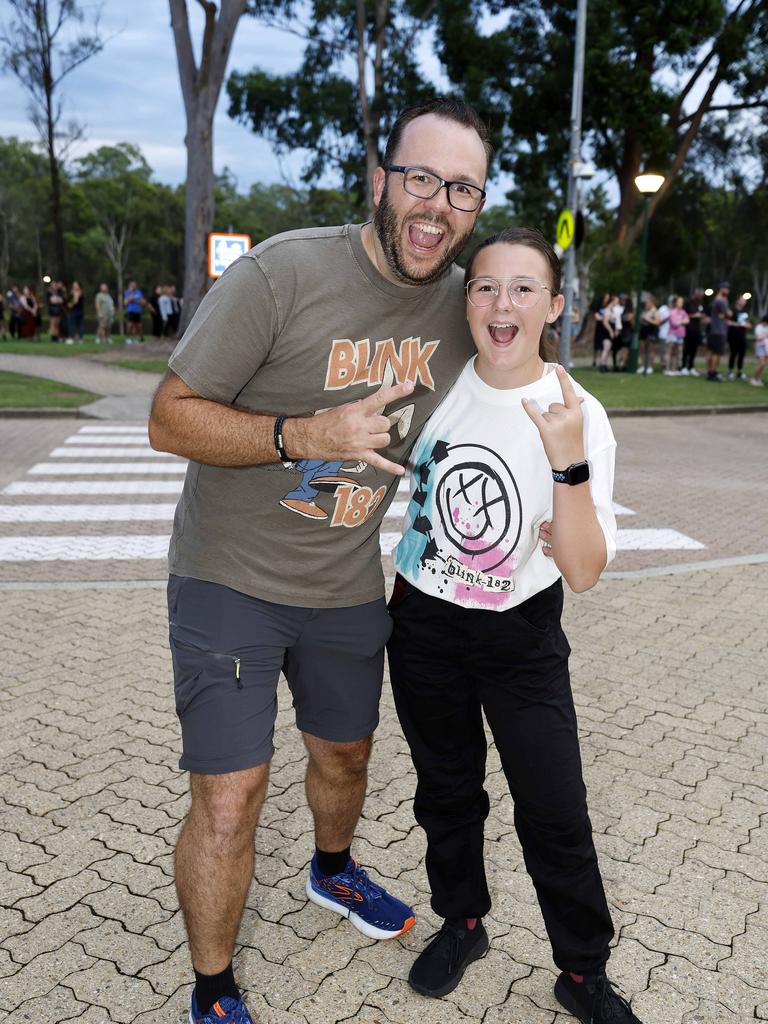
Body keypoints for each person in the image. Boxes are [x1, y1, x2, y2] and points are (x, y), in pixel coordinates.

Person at [148, 98, 492, 1024]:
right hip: (229, 576)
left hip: (346, 584)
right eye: (421, 177)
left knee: (344, 757)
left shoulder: (462, 305)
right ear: (382, 180)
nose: (437, 204)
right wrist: (302, 432)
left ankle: (332, 872)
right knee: (232, 795)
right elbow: (167, 416)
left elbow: (515, 386)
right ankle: (214, 988)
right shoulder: (281, 273)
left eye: (462, 188)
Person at [387, 227, 641, 1024]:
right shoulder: (436, 388)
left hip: (520, 632)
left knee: (552, 802)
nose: (503, 303)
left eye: (524, 288)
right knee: (447, 789)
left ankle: (581, 970)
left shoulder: (577, 411)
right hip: (423, 618)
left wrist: (565, 461)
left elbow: (586, 568)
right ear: (466, 303)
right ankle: (462, 922)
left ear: (555, 305)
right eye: (486, 286)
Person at [706, 283, 730, 381]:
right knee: (716, 353)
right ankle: (713, 373)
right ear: (722, 289)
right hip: (718, 331)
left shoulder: (717, 300)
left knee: (712, 352)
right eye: (727, 289)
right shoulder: (721, 301)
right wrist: (727, 313)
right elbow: (729, 313)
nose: (728, 291)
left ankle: (710, 372)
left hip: (715, 330)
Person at [681, 288, 705, 376]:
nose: (701, 296)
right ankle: (684, 366)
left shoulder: (700, 304)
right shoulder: (688, 303)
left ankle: (691, 367)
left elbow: (702, 313)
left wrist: (702, 316)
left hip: (696, 330)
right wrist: (694, 315)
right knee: (687, 348)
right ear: (695, 294)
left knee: (694, 349)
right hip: (688, 329)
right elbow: (684, 314)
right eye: (700, 294)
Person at [727, 296, 751, 381]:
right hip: (733, 335)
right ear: (737, 301)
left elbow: (747, 322)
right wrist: (739, 324)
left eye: (744, 301)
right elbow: (728, 322)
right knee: (733, 354)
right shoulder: (732, 310)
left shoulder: (745, 311)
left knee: (741, 355)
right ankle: (730, 371)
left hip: (742, 336)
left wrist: (748, 325)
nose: (743, 302)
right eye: (742, 300)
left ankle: (740, 371)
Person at [664, 295, 688, 375]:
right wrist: (682, 321)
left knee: (676, 352)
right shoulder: (672, 312)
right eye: (679, 302)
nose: (681, 303)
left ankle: (674, 369)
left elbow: (687, 320)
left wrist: (680, 321)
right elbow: (675, 323)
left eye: (682, 302)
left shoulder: (683, 312)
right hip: (672, 334)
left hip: (680, 335)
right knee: (670, 351)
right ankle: (667, 369)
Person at [637, 294, 659, 373]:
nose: (646, 304)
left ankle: (650, 367)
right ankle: (642, 366)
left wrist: (647, 319)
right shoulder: (645, 310)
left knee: (651, 350)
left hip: (651, 332)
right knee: (642, 350)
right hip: (643, 331)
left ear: (652, 303)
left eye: (647, 303)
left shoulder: (655, 311)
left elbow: (657, 322)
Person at [750, 314, 768, 387]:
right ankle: (754, 379)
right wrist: (765, 335)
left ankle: (757, 379)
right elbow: (758, 338)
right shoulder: (759, 327)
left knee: (763, 364)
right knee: (761, 363)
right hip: (760, 347)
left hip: (766, 347)